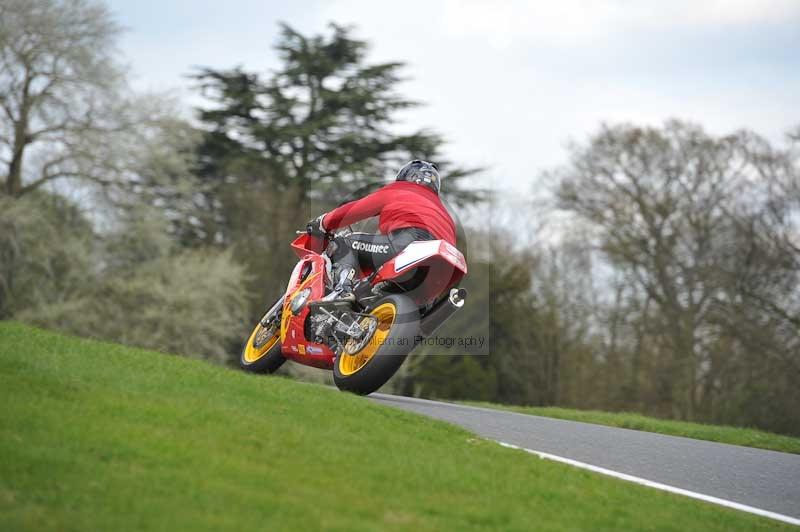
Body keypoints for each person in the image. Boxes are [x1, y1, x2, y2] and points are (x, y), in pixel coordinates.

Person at [306, 160, 457, 302]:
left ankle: (342, 291)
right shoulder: (445, 213)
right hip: (442, 270)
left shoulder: (399, 190)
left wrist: (322, 222)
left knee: (345, 243)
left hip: (409, 243)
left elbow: (354, 210)